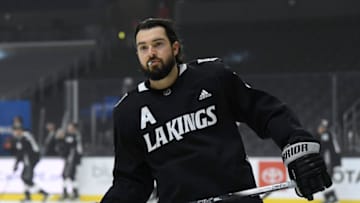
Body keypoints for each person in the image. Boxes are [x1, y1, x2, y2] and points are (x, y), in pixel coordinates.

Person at [100, 18, 332, 203]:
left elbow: (266, 112)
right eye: (143, 47)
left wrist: (298, 146)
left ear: (175, 47)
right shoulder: (128, 111)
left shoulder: (212, 77)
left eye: (158, 44)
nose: (151, 52)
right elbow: (131, 182)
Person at [10, 125, 49, 203]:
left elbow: (22, 152)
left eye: (15, 131)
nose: (14, 133)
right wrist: (17, 164)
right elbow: (20, 153)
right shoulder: (22, 138)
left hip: (31, 160)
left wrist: (16, 164)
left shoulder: (24, 138)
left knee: (26, 178)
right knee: (24, 177)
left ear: (19, 131)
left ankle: (44, 193)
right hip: (28, 160)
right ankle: (28, 196)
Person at [56, 122, 83, 200]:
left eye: (70, 127)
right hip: (69, 159)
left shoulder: (75, 136)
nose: (69, 129)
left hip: (72, 159)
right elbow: (63, 145)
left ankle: (73, 193)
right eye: (69, 127)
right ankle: (68, 193)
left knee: (69, 175)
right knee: (68, 176)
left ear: (74, 128)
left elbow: (74, 148)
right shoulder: (69, 136)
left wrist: (61, 137)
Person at [317, 119, 341, 203]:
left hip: (328, 162)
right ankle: (330, 198)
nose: (319, 128)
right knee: (325, 180)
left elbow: (326, 150)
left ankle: (332, 198)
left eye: (321, 127)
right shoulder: (330, 135)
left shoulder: (326, 135)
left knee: (325, 180)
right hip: (331, 162)